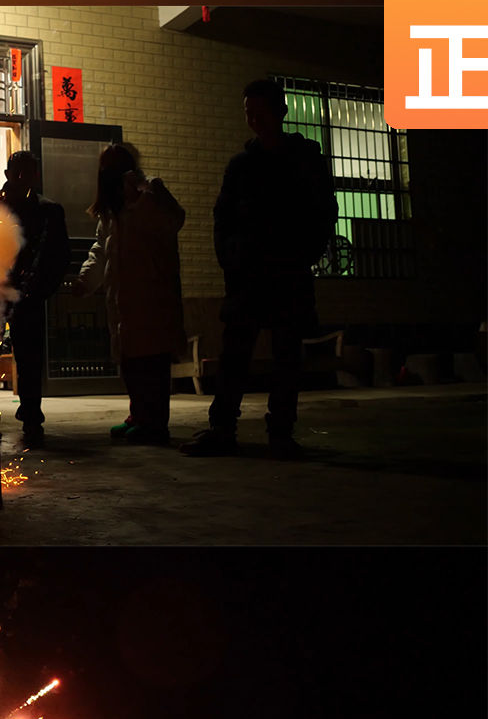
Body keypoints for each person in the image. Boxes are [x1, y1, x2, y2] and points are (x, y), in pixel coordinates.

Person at [185, 82, 339, 459]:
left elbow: (324, 212)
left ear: (280, 112)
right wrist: (230, 258)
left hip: (288, 271)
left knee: (287, 356)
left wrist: (306, 254)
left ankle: (280, 432)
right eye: (248, 113)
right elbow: (222, 218)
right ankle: (223, 428)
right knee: (235, 354)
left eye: (260, 111)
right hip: (247, 274)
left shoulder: (304, 159)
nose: (253, 120)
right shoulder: (242, 165)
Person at [72, 144, 187, 447]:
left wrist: (143, 192)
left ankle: (155, 424)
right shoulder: (112, 213)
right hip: (124, 298)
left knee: (152, 363)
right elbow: (101, 251)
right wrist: (86, 280)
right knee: (131, 361)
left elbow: (173, 220)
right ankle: (139, 416)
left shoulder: (148, 197)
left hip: (150, 296)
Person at [0, 152, 70, 451]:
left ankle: (31, 416)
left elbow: (59, 255)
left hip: (31, 294)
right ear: (8, 173)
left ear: (36, 175)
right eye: (19, 172)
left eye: (29, 172)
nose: (24, 177)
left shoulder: (50, 210)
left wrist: (41, 290)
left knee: (30, 359)